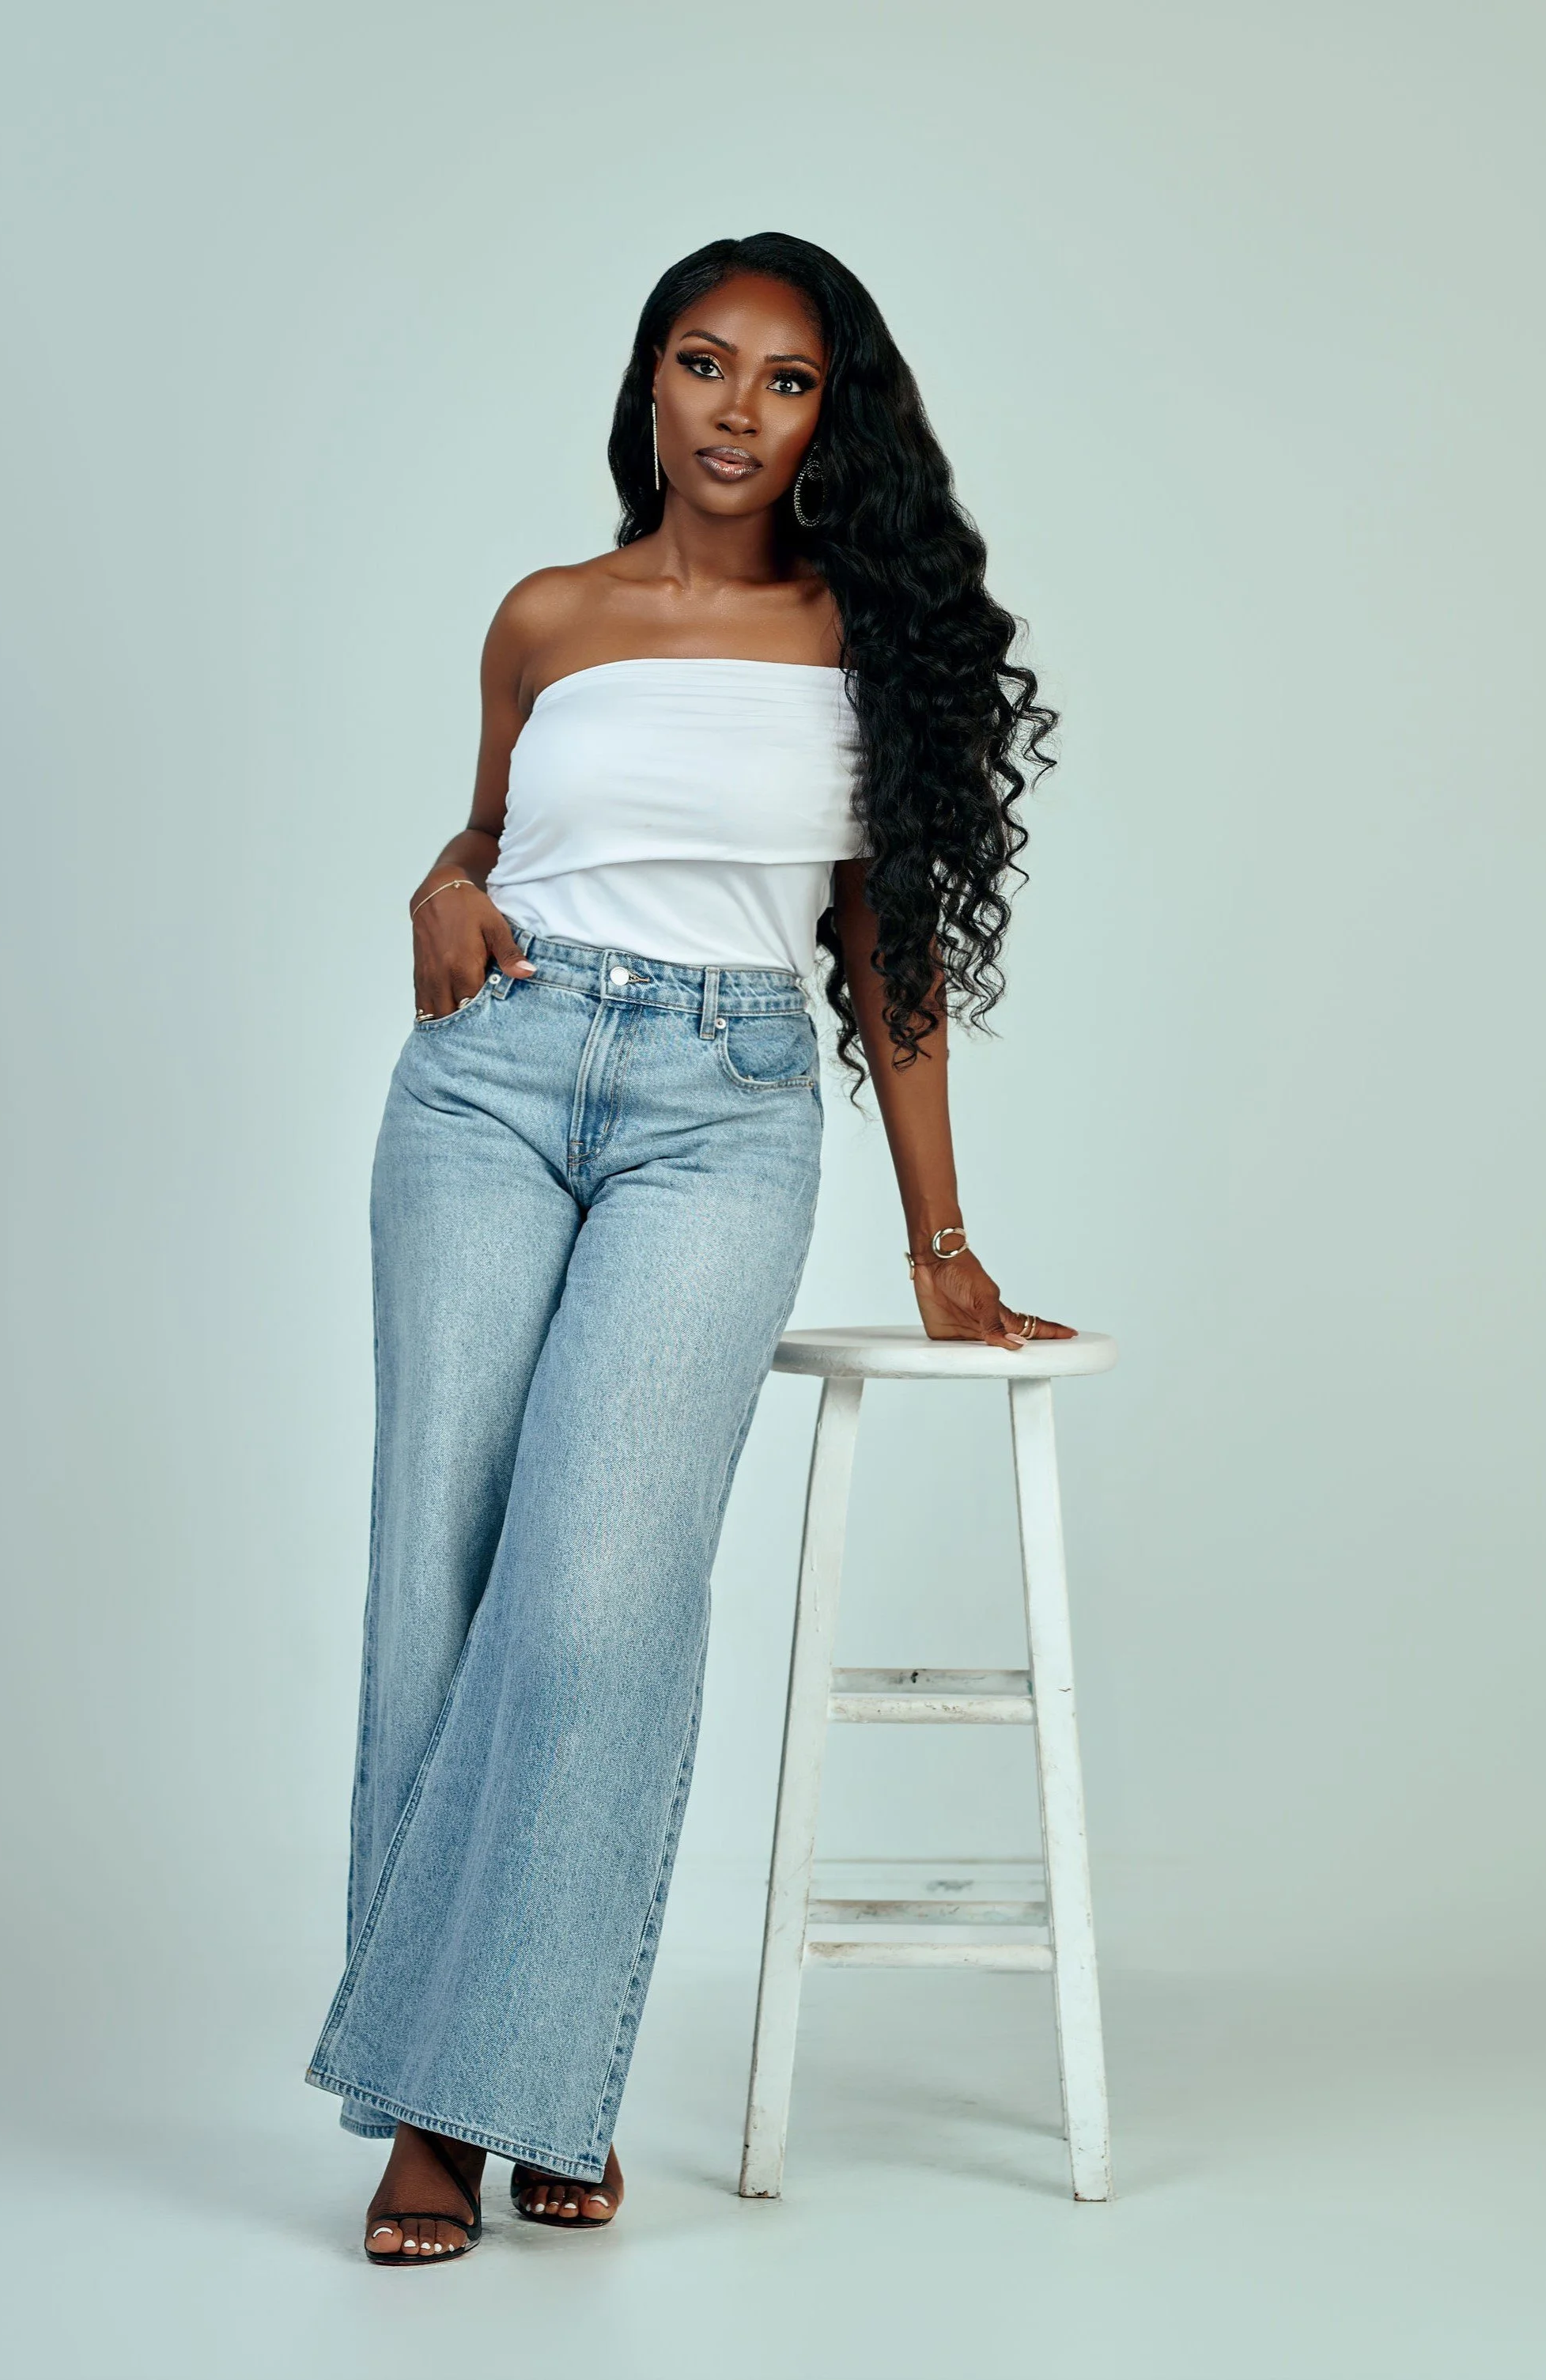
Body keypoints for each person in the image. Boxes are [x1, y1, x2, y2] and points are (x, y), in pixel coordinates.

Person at [304, 231, 1073, 2266]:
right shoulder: (545, 615)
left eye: (784, 379)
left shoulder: (862, 640)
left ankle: (526, 2072)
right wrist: (438, 885)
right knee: (436, 1574)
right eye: (703, 362)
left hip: (720, 1112)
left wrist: (938, 1237)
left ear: (831, 421)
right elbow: (495, 841)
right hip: (488, 1083)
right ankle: (438, 2119)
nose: (737, 408)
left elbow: (887, 953)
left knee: (596, 1597)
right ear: (648, 382)